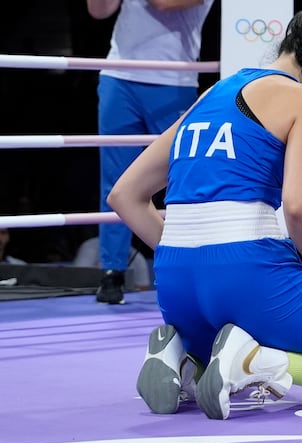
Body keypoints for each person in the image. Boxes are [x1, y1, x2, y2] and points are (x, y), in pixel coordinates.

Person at [107, 8, 302, 420]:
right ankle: (262, 361)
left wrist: (192, 250)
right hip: (249, 273)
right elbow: (299, 205)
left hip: (176, 285)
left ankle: (183, 356)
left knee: (226, 328)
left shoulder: (208, 97)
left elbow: (124, 195)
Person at [87, 0, 215, 304]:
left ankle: (190, 265)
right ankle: (112, 272)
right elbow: (98, 11)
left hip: (174, 79)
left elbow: (165, 3)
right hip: (119, 75)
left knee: (184, 178)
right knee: (115, 178)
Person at [73, 236, 152, 290]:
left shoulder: (137, 258)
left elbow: (142, 288)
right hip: (89, 298)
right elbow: (77, 279)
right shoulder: (90, 247)